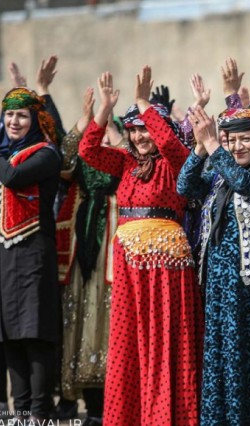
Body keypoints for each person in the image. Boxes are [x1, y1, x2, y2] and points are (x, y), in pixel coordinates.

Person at [78, 68, 203, 425]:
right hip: (130, 267)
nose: (138, 135)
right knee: (129, 344)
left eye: (143, 128)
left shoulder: (177, 164)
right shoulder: (124, 162)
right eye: (132, 129)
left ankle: (168, 415)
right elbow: (87, 150)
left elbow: (169, 144)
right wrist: (104, 109)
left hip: (166, 267)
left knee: (165, 342)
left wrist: (146, 103)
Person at [177, 105, 250, 425]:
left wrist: (216, 147)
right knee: (225, 356)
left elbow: (247, 184)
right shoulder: (220, 171)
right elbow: (184, 187)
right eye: (230, 140)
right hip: (221, 282)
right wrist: (202, 146)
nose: (237, 147)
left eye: (244, 139)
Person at [56, 88, 123, 426]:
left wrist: (111, 121)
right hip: (83, 240)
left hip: (112, 242)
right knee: (80, 314)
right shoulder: (83, 153)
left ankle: (106, 405)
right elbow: (64, 161)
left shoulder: (122, 154)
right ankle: (81, 400)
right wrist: (85, 120)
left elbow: (129, 155)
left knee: (109, 318)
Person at [0, 87, 62, 422]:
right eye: (9, 114)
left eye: (21, 115)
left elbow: (13, 177)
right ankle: (19, 413)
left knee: (34, 333)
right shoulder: (5, 152)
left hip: (34, 253)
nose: (14, 121)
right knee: (10, 336)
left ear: (34, 120)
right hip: (6, 257)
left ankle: (41, 413)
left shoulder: (46, 154)